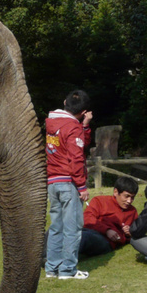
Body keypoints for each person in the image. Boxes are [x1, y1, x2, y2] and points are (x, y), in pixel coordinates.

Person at [45, 89, 92, 279]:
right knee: (72, 228)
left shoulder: (52, 123)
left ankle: (52, 268)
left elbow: (79, 143)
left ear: (64, 102)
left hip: (52, 182)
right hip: (68, 182)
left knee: (56, 227)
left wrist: (85, 126)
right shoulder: (72, 127)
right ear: (83, 112)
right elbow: (76, 157)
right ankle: (67, 270)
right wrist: (81, 186)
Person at [79, 176, 139, 257]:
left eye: (132, 198)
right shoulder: (99, 201)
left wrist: (129, 233)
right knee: (71, 233)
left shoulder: (132, 212)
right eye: (126, 196)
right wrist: (107, 230)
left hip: (105, 241)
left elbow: (136, 232)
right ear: (115, 192)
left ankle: (63, 263)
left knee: (84, 237)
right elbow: (87, 218)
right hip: (91, 230)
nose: (129, 201)